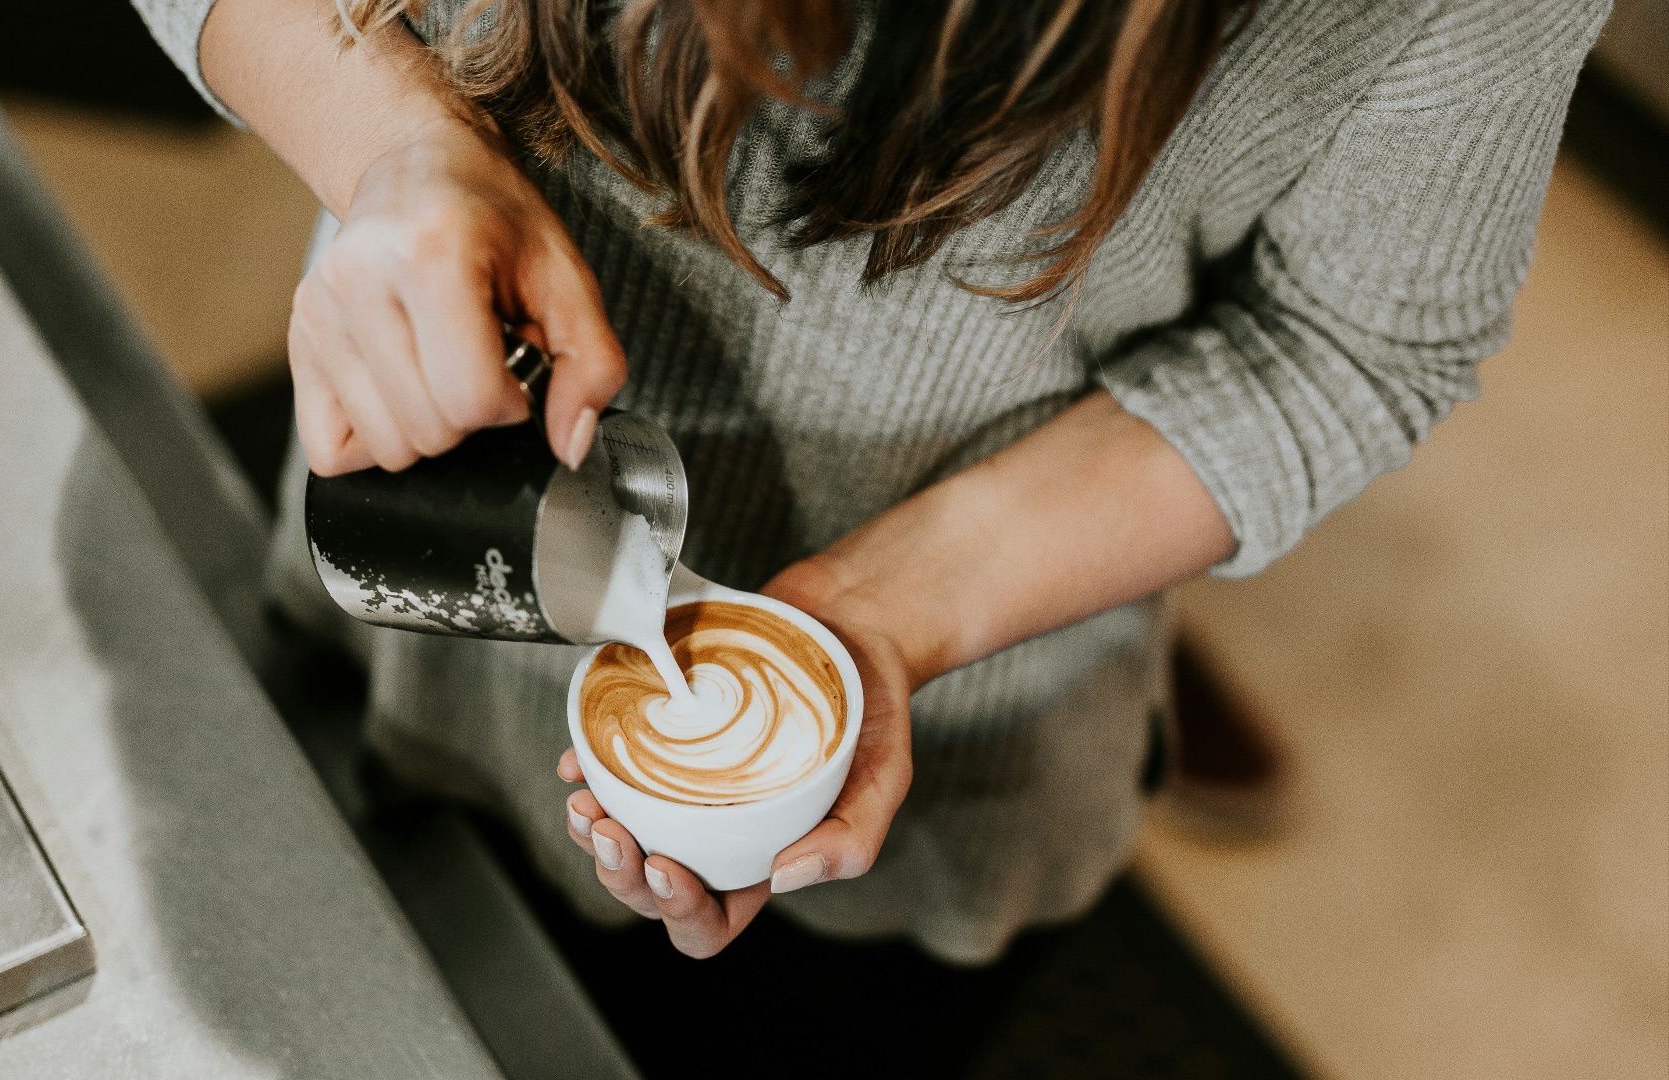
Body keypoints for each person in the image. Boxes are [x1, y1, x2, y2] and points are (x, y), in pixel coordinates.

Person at [131, 0, 1605, 962]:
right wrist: (393, 146)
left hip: (952, 766)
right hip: (429, 598)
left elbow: (1355, 341)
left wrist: (899, 611)